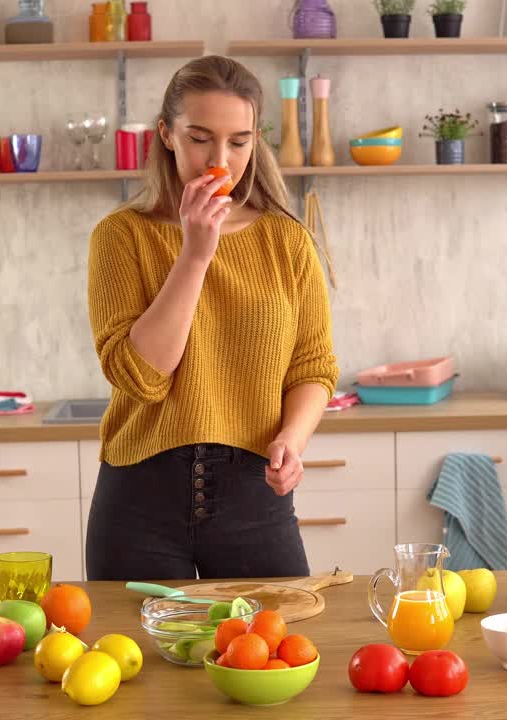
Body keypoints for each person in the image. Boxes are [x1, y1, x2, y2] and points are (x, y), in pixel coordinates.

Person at [83, 56, 339, 581]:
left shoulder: (287, 241)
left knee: (274, 656)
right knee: (133, 661)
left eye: (239, 142)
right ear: (168, 134)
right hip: (139, 500)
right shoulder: (120, 236)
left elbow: (313, 367)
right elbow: (142, 377)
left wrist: (292, 439)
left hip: (254, 496)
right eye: (200, 137)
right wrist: (196, 254)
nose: (219, 160)